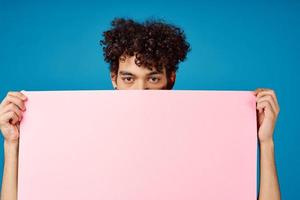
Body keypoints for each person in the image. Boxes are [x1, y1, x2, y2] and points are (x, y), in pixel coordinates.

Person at [0, 17, 281, 200]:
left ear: (171, 79)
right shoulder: (81, 135)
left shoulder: (201, 138)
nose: (140, 92)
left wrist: (265, 142)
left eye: (153, 78)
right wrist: (12, 146)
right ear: (114, 79)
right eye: (128, 78)